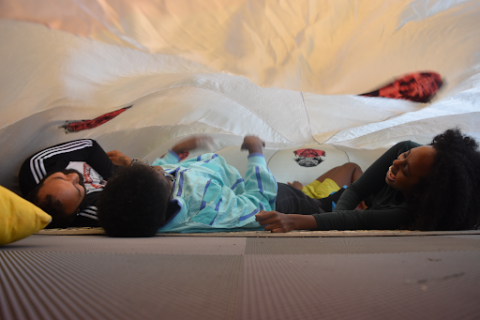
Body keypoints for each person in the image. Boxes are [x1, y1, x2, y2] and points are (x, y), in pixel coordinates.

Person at [255, 128, 480, 232]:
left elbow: (359, 222)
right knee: (269, 192)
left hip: (330, 211)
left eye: (405, 171)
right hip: (333, 206)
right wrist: (335, 218)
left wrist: (294, 221)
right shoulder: (404, 148)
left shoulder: (409, 212)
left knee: (273, 201)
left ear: (419, 193)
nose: (396, 164)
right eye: (404, 157)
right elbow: (356, 190)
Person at [19, 139, 116, 228]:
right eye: (78, 189)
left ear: (41, 182)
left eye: (60, 177)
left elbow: (89, 145)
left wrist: (114, 174)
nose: (74, 176)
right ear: (78, 210)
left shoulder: (41, 164)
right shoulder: (97, 211)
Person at [287, 162, 365, 210]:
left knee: (341, 168)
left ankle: (366, 207)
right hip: (316, 198)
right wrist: (296, 187)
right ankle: (367, 208)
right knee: (352, 167)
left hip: (308, 190)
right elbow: (294, 198)